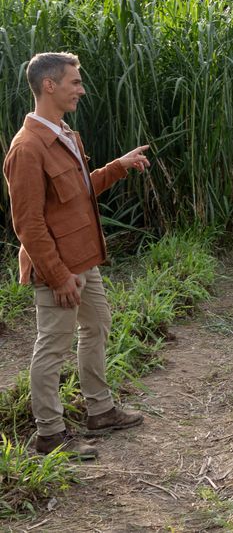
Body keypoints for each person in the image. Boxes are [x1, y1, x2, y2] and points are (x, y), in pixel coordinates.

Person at [4, 52, 151, 459]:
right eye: (74, 83)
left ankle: (100, 411)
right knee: (52, 347)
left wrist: (119, 166)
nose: (81, 90)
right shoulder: (28, 148)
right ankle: (49, 435)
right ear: (49, 85)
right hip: (59, 269)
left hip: (85, 260)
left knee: (97, 327)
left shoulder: (66, 134)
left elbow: (81, 193)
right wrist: (57, 275)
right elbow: (28, 224)